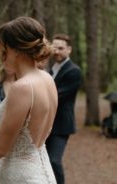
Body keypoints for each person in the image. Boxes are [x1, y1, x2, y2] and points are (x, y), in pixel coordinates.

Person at [0, 16, 58, 183]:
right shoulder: (47, 79)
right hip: (43, 173)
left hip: (21, 176)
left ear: (16, 49)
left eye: (3, 48)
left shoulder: (21, 87)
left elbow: (0, 148)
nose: (0, 54)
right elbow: (32, 118)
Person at [46, 33, 82, 184]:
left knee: (54, 161)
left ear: (69, 50)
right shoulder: (51, 69)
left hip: (61, 125)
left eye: (61, 48)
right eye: (54, 48)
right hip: (46, 123)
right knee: (45, 162)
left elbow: (57, 96)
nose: (57, 51)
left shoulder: (73, 71)